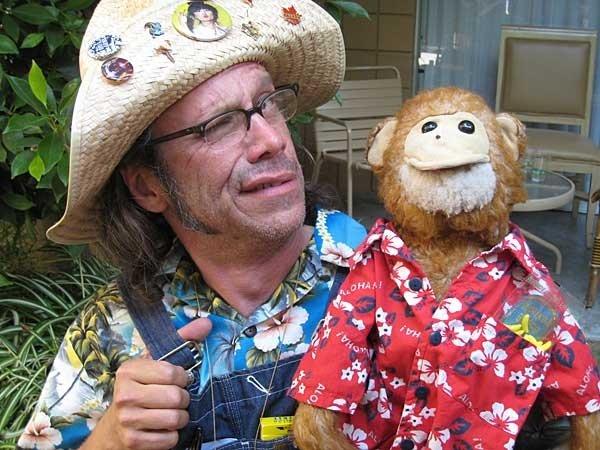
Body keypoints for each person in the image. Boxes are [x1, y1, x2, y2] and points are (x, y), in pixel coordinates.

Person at [16, 1, 364, 449]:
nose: (272, 140)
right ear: (148, 187)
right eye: (217, 125)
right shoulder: (111, 328)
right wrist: (110, 439)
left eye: (268, 104)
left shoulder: (390, 278)